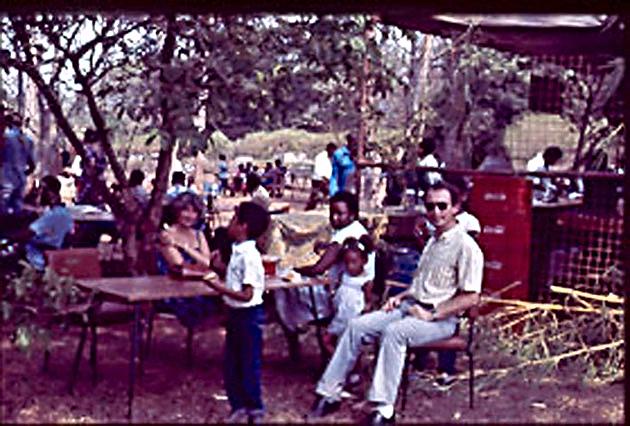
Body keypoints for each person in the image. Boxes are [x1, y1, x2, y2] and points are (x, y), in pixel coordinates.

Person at [309, 181, 484, 424]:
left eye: (442, 206)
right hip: (409, 307)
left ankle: (383, 408)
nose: (435, 212)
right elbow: (424, 285)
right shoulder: (433, 240)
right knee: (357, 326)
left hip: (440, 320)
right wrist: (399, 297)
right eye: (430, 206)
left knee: (394, 333)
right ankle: (329, 393)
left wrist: (432, 314)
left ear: (455, 207)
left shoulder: (467, 247)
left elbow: (471, 296)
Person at [203, 201, 270, 424]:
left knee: (249, 363)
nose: (230, 225)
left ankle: (255, 408)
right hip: (235, 314)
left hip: (248, 316)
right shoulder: (237, 251)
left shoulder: (250, 257)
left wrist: (217, 287)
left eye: (234, 220)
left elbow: (247, 294)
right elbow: (235, 279)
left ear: (244, 226)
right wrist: (218, 269)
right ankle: (239, 406)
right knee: (232, 362)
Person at [157, 192, 214, 329]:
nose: (190, 215)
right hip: (175, 291)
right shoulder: (166, 235)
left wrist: (185, 247)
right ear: (177, 211)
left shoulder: (199, 235)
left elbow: (208, 263)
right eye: (185, 210)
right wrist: (201, 264)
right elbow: (180, 267)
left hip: (201, 286)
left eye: (194, 211)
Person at [324, 234, 375, 354]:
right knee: (328, 339)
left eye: (354, 262)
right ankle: (338, 360)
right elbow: (338, 290)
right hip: (340, 316)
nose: (350, 266)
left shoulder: (365, 281)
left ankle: (349, 365)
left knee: (352, 345)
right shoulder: (344, 275)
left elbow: (369, 301)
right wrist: (332, 295)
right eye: (346, 263)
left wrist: (366, 312)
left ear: (364, 261)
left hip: (353, 318)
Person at [20, 175, 74, 271]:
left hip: (37, 258)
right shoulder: (65, 213)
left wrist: (9, 237)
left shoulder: (51, 216)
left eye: (42, 189)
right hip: (53, 253)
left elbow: (27, 234)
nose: (39, 192)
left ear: (50, 193)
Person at [0, 112, 35, 214]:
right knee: (17, 209)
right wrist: (22, 173)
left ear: (8, 123)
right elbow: (32, 165)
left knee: (3, 210)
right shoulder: (28, 140)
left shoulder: (5, 139)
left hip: (5, 179)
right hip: (21, 180)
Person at [76, 129, 107, 206]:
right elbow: (91, 164)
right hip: (89, 181)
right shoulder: (89, 149)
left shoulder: (99, 151)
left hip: (95, 181)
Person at [306, 142, 336, 210]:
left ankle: (321, 207)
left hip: (327, 179)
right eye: (333, 151)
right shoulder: (320, 157)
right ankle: (310, 207)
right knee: (316, 195)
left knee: (326, 194)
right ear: (329, 149)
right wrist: (325, 179)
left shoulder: (332, 158)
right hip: (318, 179)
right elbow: (318, 170)